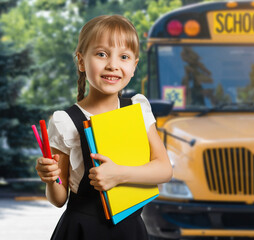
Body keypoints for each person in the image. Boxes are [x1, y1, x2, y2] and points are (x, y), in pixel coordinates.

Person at [35, 15, 173, 240]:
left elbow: (164, 169)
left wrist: (119, 174)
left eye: (124, 56)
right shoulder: (65, 121)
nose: (113, 65)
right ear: (81, 61)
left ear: (134, 66)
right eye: (101, 54)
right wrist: (51, 179)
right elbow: (59, 199)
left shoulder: (138, 108)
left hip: (131, 231)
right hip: (82, 231)